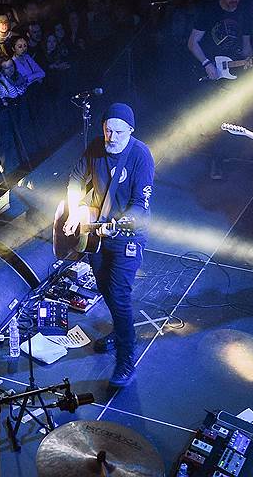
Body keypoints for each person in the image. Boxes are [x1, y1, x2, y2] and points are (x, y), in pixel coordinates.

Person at [63, 103, 155, 388]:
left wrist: (120, 223)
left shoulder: (140, 155)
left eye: (117, 131)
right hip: (96, 233)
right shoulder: (96, 146)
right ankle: (120, 332)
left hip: (127, 236)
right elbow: (76, 178)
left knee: (119, 293)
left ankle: (126, 360)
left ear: (130, 130)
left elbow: (141, 205)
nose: (111, 137)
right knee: (105, 290)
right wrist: (73, 210)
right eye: (107, 130)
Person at [188, 0, 253, 179]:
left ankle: (224, 158)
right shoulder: (209, 13)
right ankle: (214, 162)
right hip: (212, 75)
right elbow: (192, 43)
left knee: (234, 118)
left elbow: (246, 45)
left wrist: (248, 58)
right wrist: (207, 63)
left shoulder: (244, 14)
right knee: (218, 119)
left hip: (232, 74)